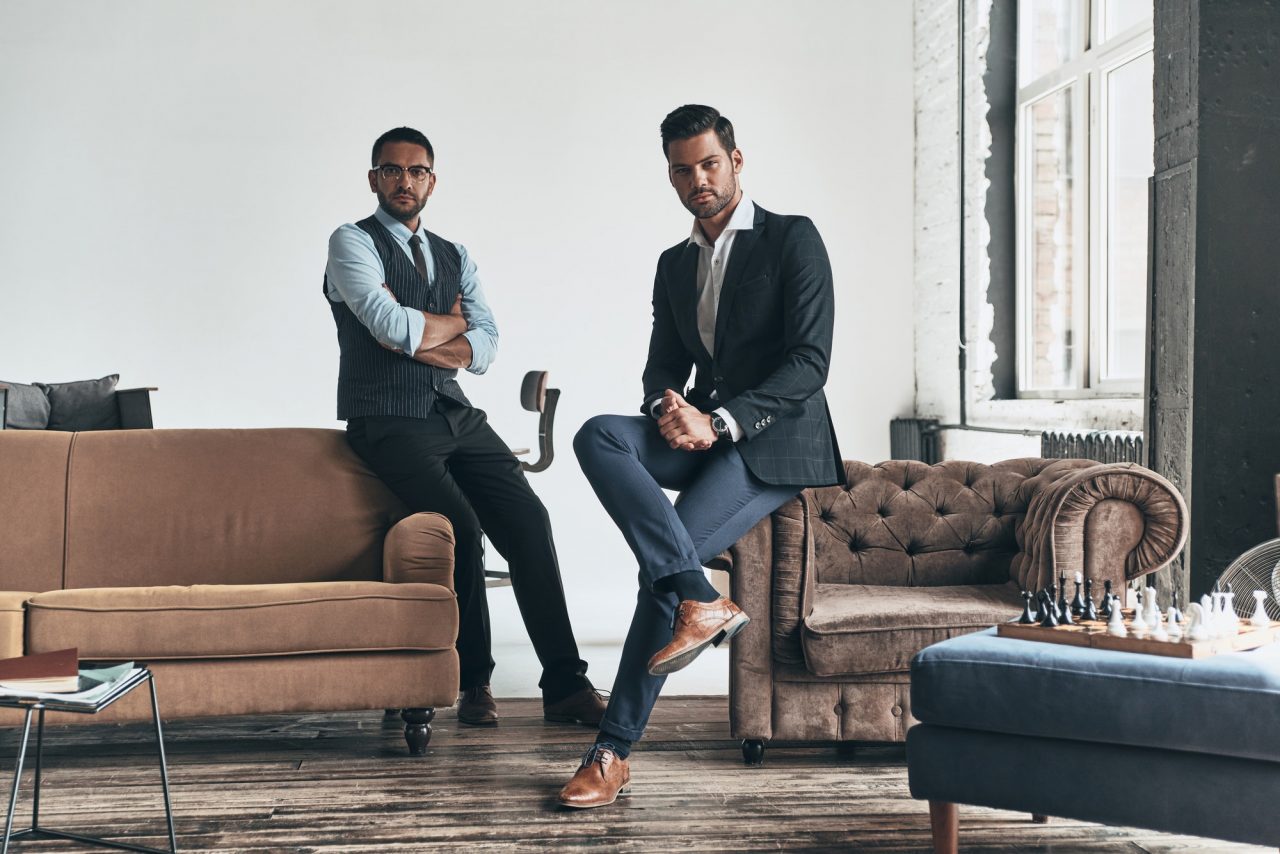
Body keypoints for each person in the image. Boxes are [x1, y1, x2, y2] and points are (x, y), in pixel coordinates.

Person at [557, 105, 843, 808]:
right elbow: (662, 367)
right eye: (682, 170)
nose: (698, 180)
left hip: (776, 444)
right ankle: (698, 595)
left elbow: (810, 363)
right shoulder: (674, 263)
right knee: (599, 433)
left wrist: (719, 421)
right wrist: (669, 410)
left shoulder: (791, 240)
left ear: (736, 161)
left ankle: (610, 753)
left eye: (709, 164)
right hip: (708, 434)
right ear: (670, 176)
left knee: (658, 572)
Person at [324, 126, 606, 729]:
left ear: (433, 179)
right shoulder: (351, 242)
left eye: (417, 170)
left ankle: (564, 684)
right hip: (386, 419)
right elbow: (384, 324)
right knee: (464, 529)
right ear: (373, 178)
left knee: (530, 521)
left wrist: (428, 337)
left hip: (454, 413)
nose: (406, 180)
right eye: (393, 170)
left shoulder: (456, 254)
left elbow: (487, 346)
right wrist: (445, 327)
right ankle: (474, 682)